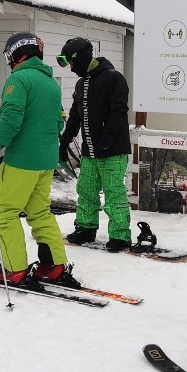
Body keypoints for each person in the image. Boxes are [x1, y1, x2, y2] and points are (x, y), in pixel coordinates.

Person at [0, 32, 78, 290]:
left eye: (10, 56)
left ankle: (14, 269)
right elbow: (58, 122)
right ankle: (54, 266)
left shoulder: (18, 81)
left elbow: (11, 120)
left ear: (17, 54)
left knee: (5, 213)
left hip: (21, 160)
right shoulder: (50, 82)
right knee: (39, 212)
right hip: (46, 160)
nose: (9, 61)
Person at [57, 37, 133, 252]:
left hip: (113, 151)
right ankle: (85, 228)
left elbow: (119, 113)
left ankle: (120, 236)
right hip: (90, 152)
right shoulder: (82, 84)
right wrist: (64, 142)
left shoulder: (114, 78)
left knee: (113, 193)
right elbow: (75, 115)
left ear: (80, 58)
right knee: (86, 190)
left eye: (71, 63)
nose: (71, 69)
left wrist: (106, 141)